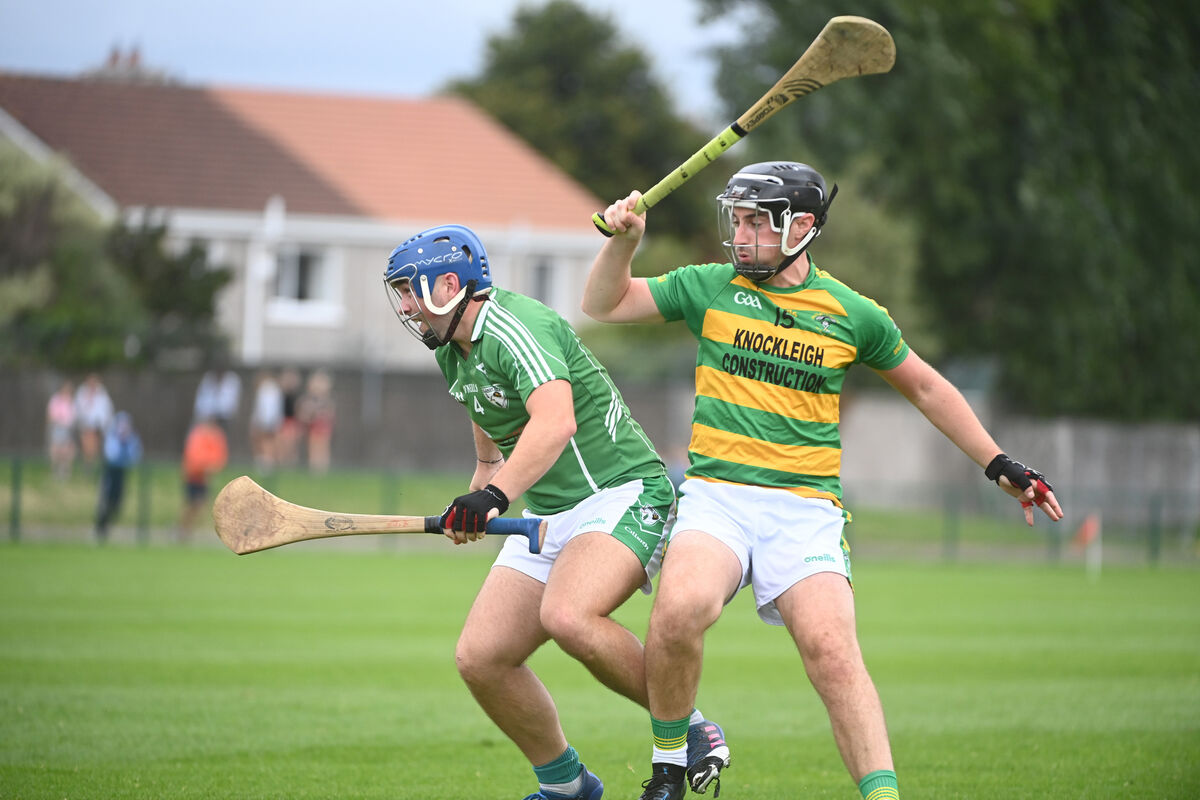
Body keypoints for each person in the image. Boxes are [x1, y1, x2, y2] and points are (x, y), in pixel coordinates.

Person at [583, 161, 1065, 800]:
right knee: (678, 612)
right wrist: (623, 242)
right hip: (717, 497)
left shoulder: (852, 313)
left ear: (802, 226)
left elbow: (925, 385)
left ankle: (882, 796)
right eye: (739, 220)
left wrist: (999, 462)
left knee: (834, 654)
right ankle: (671, 769)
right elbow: (604, 303)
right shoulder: (710, 287)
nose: (742, 234)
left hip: (805, 508)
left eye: (757, 222)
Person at [382, 224, 728, 800]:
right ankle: (566, 786)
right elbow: (488, 411)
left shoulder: (516, 326)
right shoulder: (454, 349)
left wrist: (495, 498)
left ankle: (690, 728)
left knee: (568, 615)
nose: (405, 305)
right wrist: (480, 485)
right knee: (481, 657)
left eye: (410, 290)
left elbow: (555, 422)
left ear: (449, 284)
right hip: (547, 511)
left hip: (619, 493)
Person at [94, 411, 143, 543]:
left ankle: (106, 525)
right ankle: (101, 527)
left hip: (121, 473)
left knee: (117, 502)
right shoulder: (112, 437)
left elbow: (135, 455)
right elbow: (112, 454)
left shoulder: (131, 438)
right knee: (106, 499)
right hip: (110, 471)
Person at [179, 416, 228, 542]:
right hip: (194, 475)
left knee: (200, 504)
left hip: (204, 477)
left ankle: (187, 530)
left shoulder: (215, 436)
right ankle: (183, 529)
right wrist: (206, 466)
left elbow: (219, 456)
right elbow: (195, 456)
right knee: (192, 503)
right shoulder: (198, 435)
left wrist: (213, 467)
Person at [297, 369, 335, 474]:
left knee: (323, 448)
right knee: (313, 448)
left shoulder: (326, 400)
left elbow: (330, 414)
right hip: (314, 427)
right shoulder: (308, 400)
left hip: (323, 427)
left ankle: (322, 469)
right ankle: (314, 469)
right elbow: (304, 414)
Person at [74, 373, 114, 468]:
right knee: (86, 446)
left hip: (98, 425)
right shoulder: (82, 393)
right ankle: (88, 465)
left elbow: (107, 409)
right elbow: (78, 408)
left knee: (94, 447)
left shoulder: (102, 393)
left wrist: (105, 423)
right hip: (85, 423)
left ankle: (92, 465)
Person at [249, 370, 284, 470]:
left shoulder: (268, 389)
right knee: (264, 441)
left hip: (267, 420)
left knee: (267, 442)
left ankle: (268, 462)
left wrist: (263, 422)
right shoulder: (270, 389)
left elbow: (267, 408)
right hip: (268, 419)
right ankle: (266, 461)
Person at [193, 366, 241, 432]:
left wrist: (215, 417)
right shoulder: (208, 379)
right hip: (207, 418)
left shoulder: (232, 380)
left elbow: (229, 406)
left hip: (224, 419)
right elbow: (201, 403)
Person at [46, 379, 77, 480]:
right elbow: (50, 414)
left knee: (67, 451)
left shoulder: (71, 401)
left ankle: (64, 472)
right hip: (57, 427)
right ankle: (55, 472)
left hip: (68, 428)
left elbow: (73, 415)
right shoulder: (55, 399)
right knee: (56, 450)